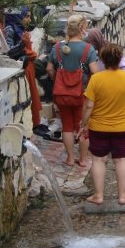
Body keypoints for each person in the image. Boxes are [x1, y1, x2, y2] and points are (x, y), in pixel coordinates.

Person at [79, 43, 125, 205]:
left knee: (98, 160)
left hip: (99, 127)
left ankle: (98, 196)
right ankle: (123, 196)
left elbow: (89, 105)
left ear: (102, 60)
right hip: (124, 126)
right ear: (120, 59)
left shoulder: (96, 79)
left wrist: (83, 124)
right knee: (121, 160)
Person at [46, 14, 100, 167]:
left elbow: (49, 68)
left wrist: (57, 78)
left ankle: (69, 158)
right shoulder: (88, 49)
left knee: (67, 125)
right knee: (82, 126)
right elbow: (95, 73)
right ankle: (82, 160)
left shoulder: (56, 47)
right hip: (80, 95)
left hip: (61, 95)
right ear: (82, 29)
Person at [85, 28, 125, 108]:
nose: (88, 45)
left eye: (89, 43)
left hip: (124, 91)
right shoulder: (96, 53)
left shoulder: (108, 51)